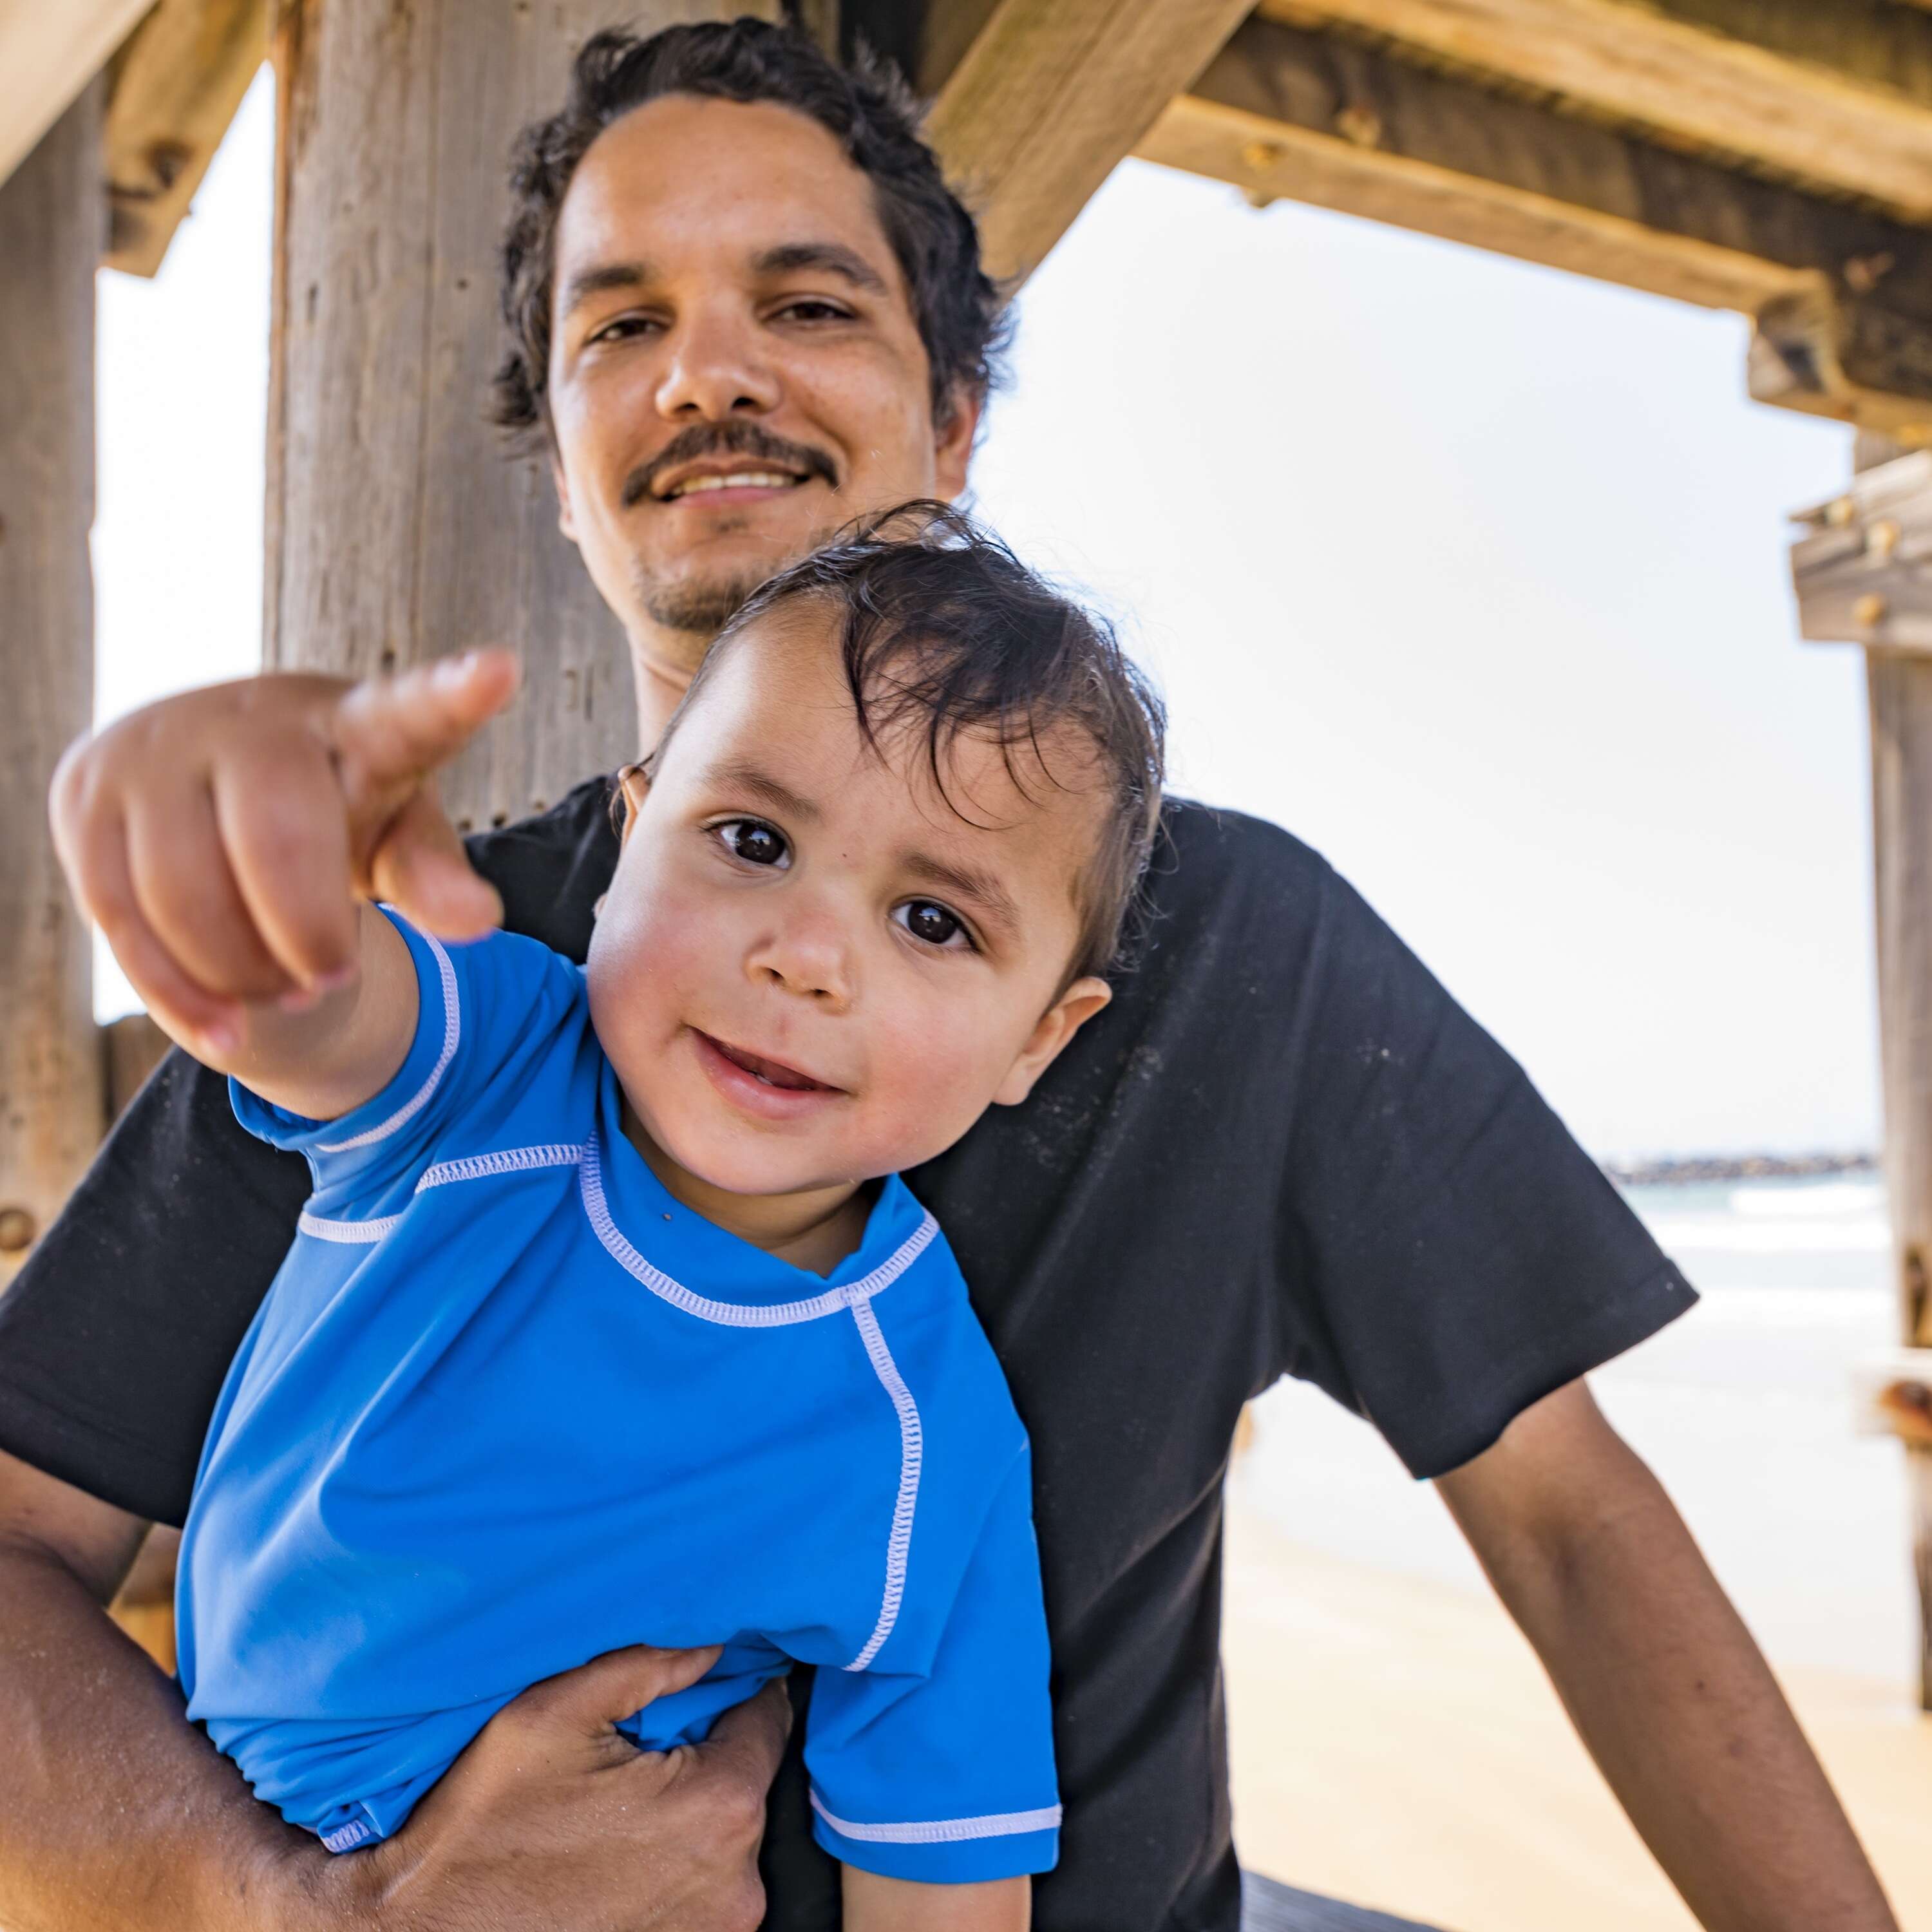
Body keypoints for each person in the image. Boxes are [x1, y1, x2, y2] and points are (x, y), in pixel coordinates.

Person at [0, 19, 1899, 1932]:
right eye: (620, 324)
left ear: (955, 415)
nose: (711, 370)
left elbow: (1573, 1523)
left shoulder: (1239, 949)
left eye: (806, 301)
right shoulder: (450, 986)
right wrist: (285, 1906)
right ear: (560, 472)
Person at [150, 509, 1162, 1929]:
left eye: (934, 923)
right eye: (751, 839)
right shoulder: (489, 1069)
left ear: (1038, 1045)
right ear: (629, 841)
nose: (806, 956)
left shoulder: (928, 1434)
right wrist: (236, 836)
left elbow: (942, 1880)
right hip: (188, 1865)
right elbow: (294, 996)